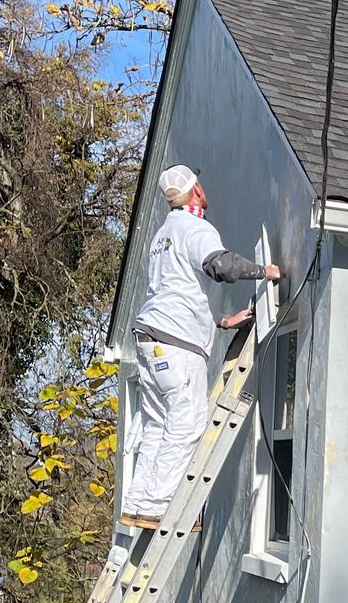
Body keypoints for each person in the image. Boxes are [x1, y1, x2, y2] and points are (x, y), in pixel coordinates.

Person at [118, 164, 281, 529]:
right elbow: (220, 265)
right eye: (200, 182)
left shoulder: (163, 235)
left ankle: (138, 504)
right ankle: (160, 508)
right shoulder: (195, 227)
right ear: (196, 190)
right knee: (187, 423)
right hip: (176, 346)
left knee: (158, 424)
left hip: (152, 338)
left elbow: (175, 290)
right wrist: (264, 272)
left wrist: (222, 321)